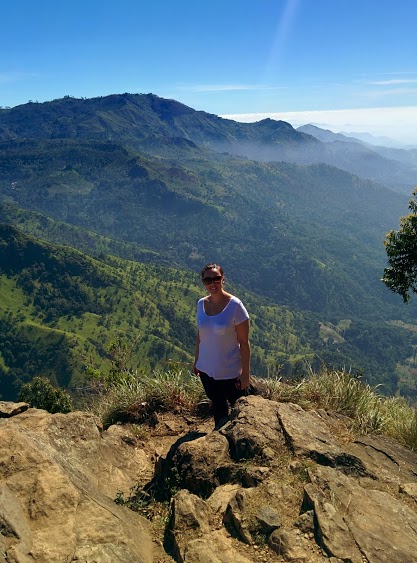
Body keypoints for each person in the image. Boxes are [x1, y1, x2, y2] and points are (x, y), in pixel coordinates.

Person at [193, 262, 251, 429]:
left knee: (239, 408)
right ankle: (219, 438)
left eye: (216, 278)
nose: (213, 283)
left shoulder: (235, 306)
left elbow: (244, 342)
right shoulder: (201, 304)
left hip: (230, 371)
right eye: (208, 280)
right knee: (218, 405)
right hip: (206, 370)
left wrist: (245, 373)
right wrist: (197, 361)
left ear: (223, 279)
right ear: (203, 282)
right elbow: (200, 335)